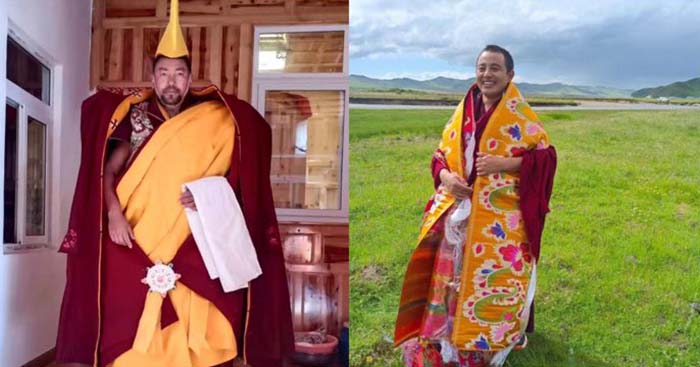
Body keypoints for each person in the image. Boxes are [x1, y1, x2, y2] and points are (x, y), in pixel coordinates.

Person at [54, 0, 294, 366]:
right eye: (164, 73)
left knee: (214, 298)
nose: (171, 81)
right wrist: (115, 215)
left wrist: (211, 198)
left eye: (179, 73)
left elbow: (233, 179)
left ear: (188, 79)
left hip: (191, 232)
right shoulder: (136, 117)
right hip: (135, 234)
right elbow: (107, 172)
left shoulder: (213, 120)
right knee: (124, 312)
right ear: (153, 78)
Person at [394, 45, 557, 367]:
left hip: (498, 223)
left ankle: (482, 345)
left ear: (510, 75)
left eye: (495, 68)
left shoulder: (522, 117)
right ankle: (445, 339)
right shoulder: (462, 112)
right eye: (482, 67)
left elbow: (546, 159)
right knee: (449, 280)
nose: (487, 74)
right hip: (457, 215)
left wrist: (506, 164)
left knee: (489, 280)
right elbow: (440, 156)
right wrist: (445, 177)